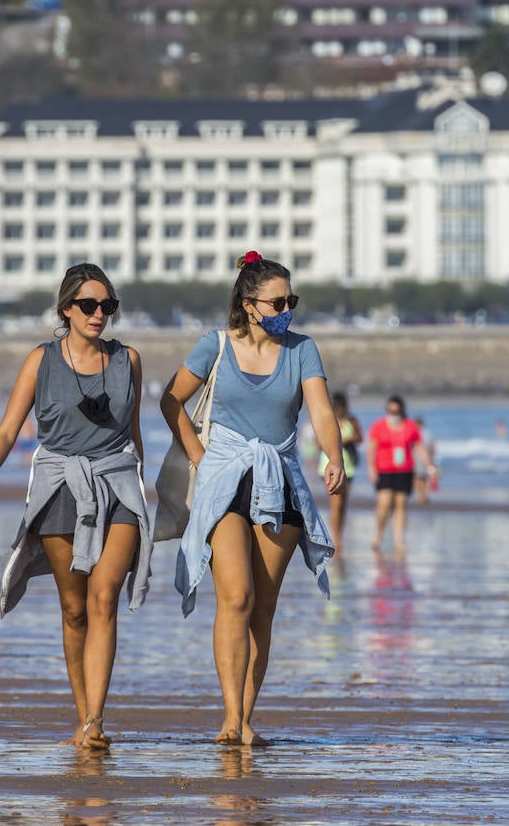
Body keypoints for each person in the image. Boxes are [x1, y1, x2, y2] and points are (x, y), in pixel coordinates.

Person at [162, 251, 341, 747]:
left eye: (292, 300)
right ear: (249, 303)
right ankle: (229, 717)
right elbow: (170, 399)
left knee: (262, 607)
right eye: (278, 301)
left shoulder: (303, 349)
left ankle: (246, 718)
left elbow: (322, 410)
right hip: (225, 478)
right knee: (236, 597)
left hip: (279, 478)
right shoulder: (214, 345)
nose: (288, 308)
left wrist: (334, 456)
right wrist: (199, 455)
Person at [0, 263, 152, 750]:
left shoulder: (128, 359)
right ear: (66, 309)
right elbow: (10, 427)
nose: (99, 315)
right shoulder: (41, 360)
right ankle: (82, 714)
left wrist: (142, 481)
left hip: (117, 483)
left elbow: (133, 429)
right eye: (89, 306)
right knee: (74, 610)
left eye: (107, 306)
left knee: (104, 597)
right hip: (59, 486)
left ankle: (95, 721)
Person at [366, 396, 435, 555]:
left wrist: (429, 466)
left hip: (404, 470)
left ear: (402, 410)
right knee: (384, 503)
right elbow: (371, 449)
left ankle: (399, 540)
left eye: (396, 411)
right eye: (390, 410)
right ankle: (378, 534)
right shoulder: (378, 426)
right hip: (383, 470)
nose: (393, 413)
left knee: (400, 505)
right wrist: (371, 468)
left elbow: (420, 448)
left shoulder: (410, 427)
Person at [319, 392, 362, 551]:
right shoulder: (327, 420)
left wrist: (346, 440)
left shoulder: (352, 420)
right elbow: (318, 445)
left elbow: (359, 439)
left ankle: (339, 535)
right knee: (336, 503)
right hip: (329, 465)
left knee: (343, 504)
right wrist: (336, 443)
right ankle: (336, 538)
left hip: (349, 466)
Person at [412, 415, 439, 505]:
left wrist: (433, 457)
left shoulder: (426, 433)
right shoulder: (414, 433)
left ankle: (423, 496)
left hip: (426, 458)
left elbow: (432, 446)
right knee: (417, 478)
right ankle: (420, 496)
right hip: (415, 458)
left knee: (424, 477)